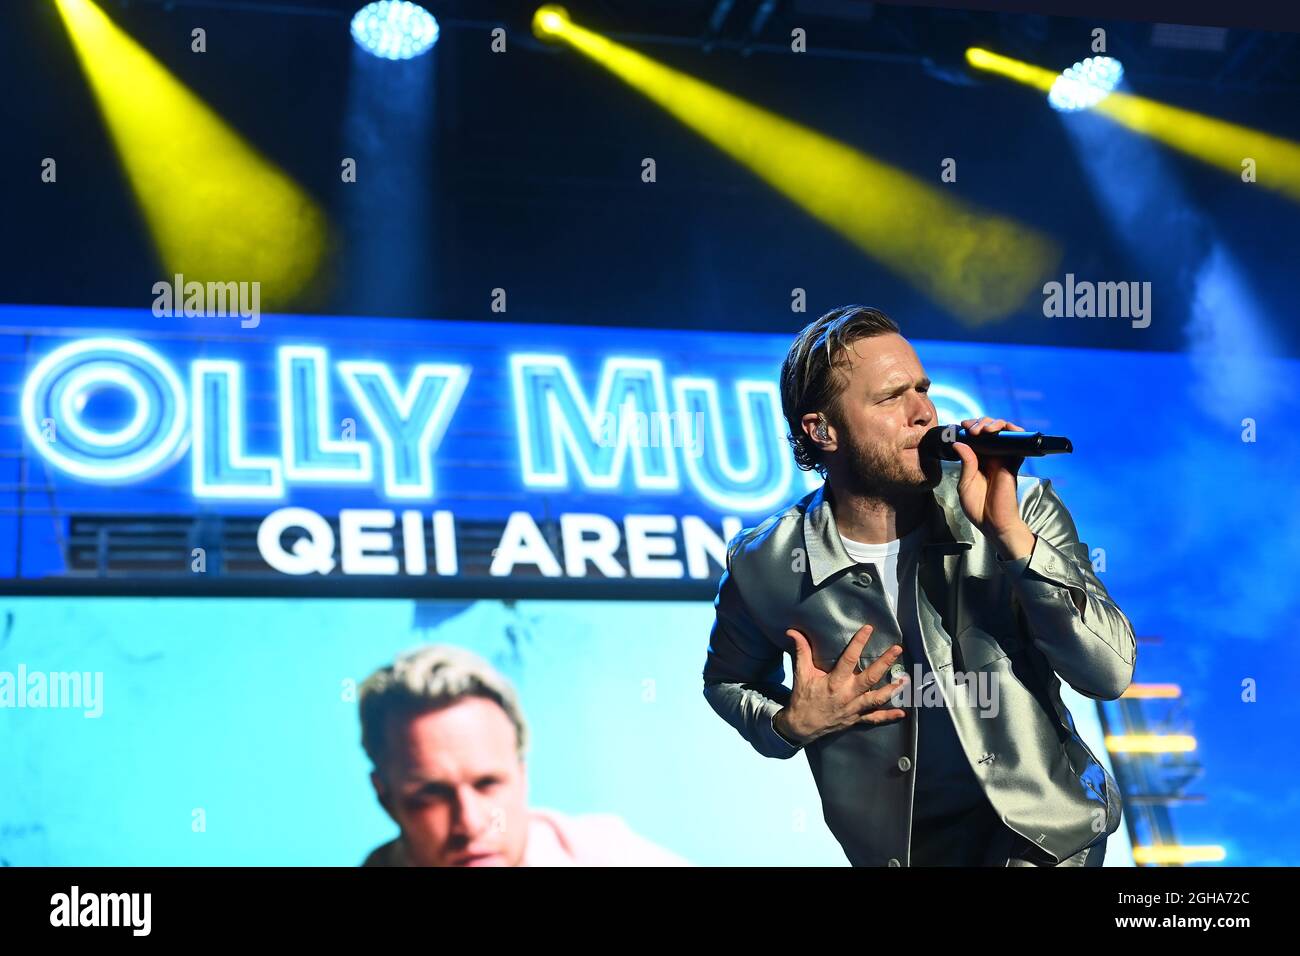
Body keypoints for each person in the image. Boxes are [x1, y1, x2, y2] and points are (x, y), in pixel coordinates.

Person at [702, 305, 1135, 867]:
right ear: (822, 430)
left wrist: (1009, 539)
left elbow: (1109, 673)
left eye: (923, 389)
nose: (923, 413)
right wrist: (788, 724)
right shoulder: (764, 562)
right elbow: (726, 682)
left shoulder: (1020, 508)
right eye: (890, 397)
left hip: (1046, 846)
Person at [360, 644, 688, 866]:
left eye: (487, 783)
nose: (470, 824)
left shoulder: (609, 854)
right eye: (431, 794)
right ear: (386, 798)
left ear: (522, 776)